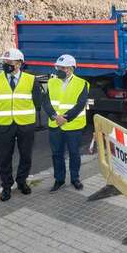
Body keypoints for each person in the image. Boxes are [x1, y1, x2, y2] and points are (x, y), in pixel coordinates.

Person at [0, 48, 44, 201]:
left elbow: (37, 102)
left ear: (19, 63)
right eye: (4, 61)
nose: (6, 64)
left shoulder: (31, 79)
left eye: (9, 61)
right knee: (4, 158)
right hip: (4, 124)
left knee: (26, 155)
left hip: (26, 124)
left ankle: (22, 181)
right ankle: (6, 186)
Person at [43, 54, 89, 192]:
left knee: (74, 153)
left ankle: (75, 179)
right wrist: (54, 116)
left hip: (73, 126)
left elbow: (80, 104)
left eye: (62, 68)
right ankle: (59, 180)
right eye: (58, 67)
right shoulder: (51, 82)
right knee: (57, 154)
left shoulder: (82, 83)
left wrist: (65, 118)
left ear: (70, 69)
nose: (59, 70)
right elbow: (46, 102)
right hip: (55, 124)